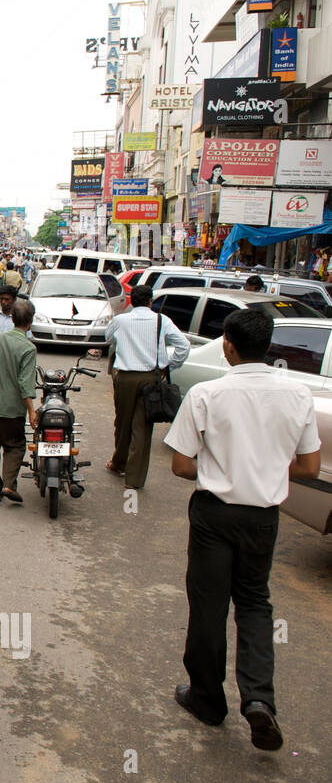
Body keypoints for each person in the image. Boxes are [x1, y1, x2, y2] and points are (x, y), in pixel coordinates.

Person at [164, 308, 321, 751]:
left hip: (214, 514)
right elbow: (309, 465)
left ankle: (208, 699)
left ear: (228, 345)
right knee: (254, 603)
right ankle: (258, 699)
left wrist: (224, 466)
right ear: (267, 346)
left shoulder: (207, 393)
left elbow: (180, 465)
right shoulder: (298, 394)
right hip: (263, 518)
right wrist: (265, 467)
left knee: (209, 606)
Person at [105, 284, 191, 489]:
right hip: (151, 378)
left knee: (123, 422)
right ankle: (134, 479)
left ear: (131, 301)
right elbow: (183, 346)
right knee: (142, 427)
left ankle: (119, 463)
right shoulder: (162, 320)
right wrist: (170, 365)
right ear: (151, 302)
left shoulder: (120, 320)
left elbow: (107, 338)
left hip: (125, 378)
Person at [0, 298, 38, 503]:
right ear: (30, 322)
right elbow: (25, 382)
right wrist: (32, 410)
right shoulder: (28, 348)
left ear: (12, 319)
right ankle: (8, 484)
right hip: (12, 407)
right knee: (16, 445)